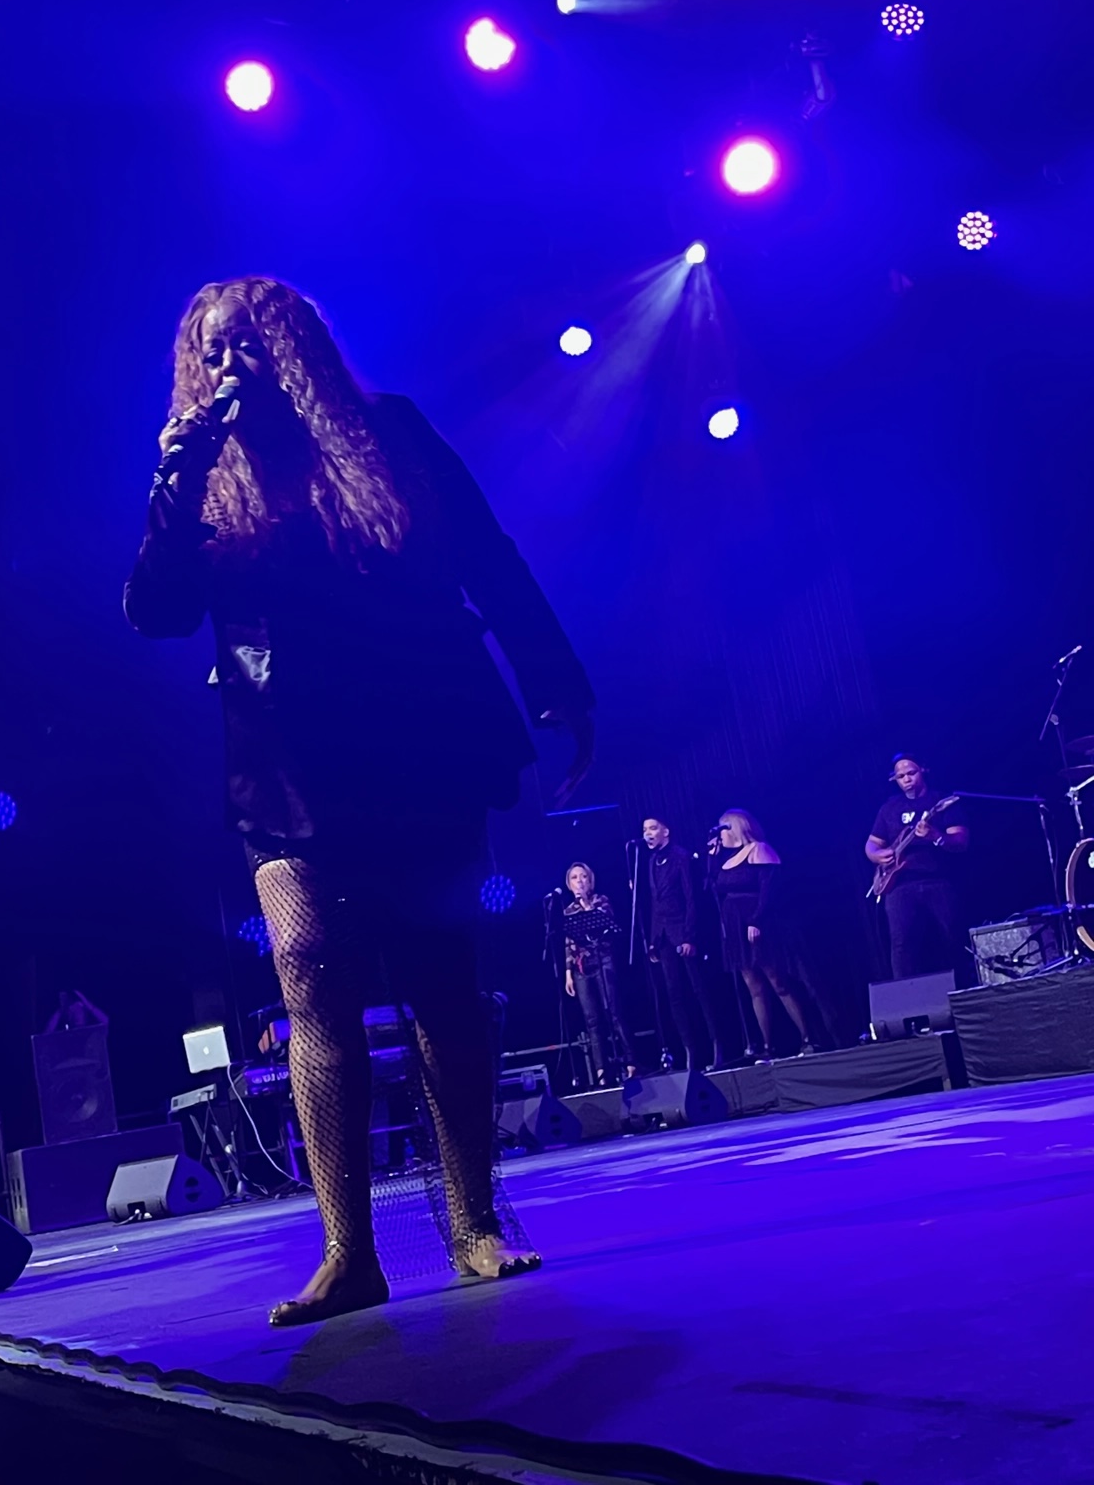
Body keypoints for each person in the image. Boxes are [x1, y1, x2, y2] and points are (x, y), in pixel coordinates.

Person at [125, 277, 595, 1325]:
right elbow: (154, 612)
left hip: (412, 734)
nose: (229, 364)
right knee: (306, 969)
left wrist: (557, 681)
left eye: (248, 343)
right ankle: (349, 1253)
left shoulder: (387, 433)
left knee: (439, 976)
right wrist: (173, 485)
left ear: (292, 347)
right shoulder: (203, 472)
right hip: (283, 754)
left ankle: (473, 1224)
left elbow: (488, 557)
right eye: (211, 350)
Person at [707, 810, 821, 1060]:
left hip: (757, 921)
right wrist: (713, 858)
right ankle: (768, 1046)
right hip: (733, 927)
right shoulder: (725, 859)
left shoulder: (759, 850)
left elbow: (768, 891)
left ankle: (808, 1037)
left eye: (724, 828)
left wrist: (755, 920)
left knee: (777, 981)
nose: (721, 834)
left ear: (737, 828)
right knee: (754, 987)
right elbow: (713, 886)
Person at [866, 753, 968, 979]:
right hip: (899, 886)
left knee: (952, 938)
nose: (906, 779)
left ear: (923, 771)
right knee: (902, 946)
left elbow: (961, 840)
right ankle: (906, 995)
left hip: (937, 881)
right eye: (900, 776)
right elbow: (872, 844)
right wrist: (878, 856)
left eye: (911, 773)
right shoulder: (889, 808)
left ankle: (964, 988)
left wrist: (936, 836)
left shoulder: (940, 802)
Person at [640, 817, 729, 1069]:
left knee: (700, 990)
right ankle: (690, 1051)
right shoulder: (650, 861)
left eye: (653, 828)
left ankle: (717, 1046)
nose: (647, 833)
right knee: (674, 994)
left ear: (666, 831)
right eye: (644, 830)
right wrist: (653, 940)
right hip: (664, 936)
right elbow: (655, 903)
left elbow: (692, 899)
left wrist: (690, 936)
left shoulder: (681, 857)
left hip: (683, 931)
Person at [562, 864, 635, 1084]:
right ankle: (601, 1071)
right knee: (592, 1020)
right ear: (569, 884)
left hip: (603, 960)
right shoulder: (568, 911)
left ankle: (631, 1063)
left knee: (614, 1012)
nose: (579, 881)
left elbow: (609, 924)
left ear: (590, 880)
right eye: (575, 878)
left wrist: (586, 903)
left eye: (583, 877)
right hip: (581, 967)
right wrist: (568, 973)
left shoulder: (601, 901)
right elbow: (569, 943)